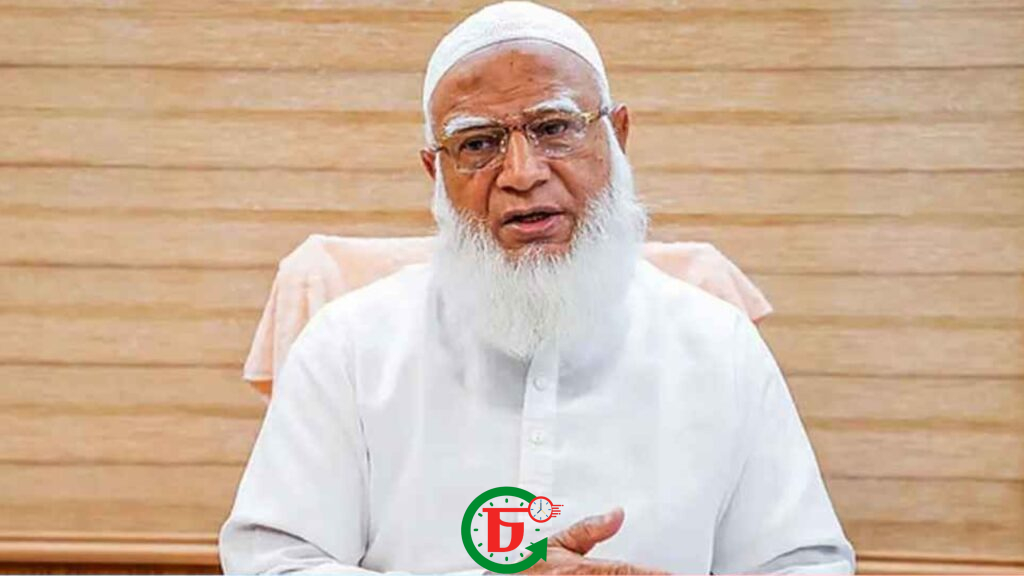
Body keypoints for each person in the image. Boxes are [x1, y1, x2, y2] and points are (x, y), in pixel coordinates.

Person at [219, 2, 855, 573]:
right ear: (435, 172)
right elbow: (273, 562)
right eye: (478, 143)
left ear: (617, 137)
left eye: (554, 128)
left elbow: (803, 563)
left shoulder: (720, 346)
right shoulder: (348, 346)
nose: (521, 174)